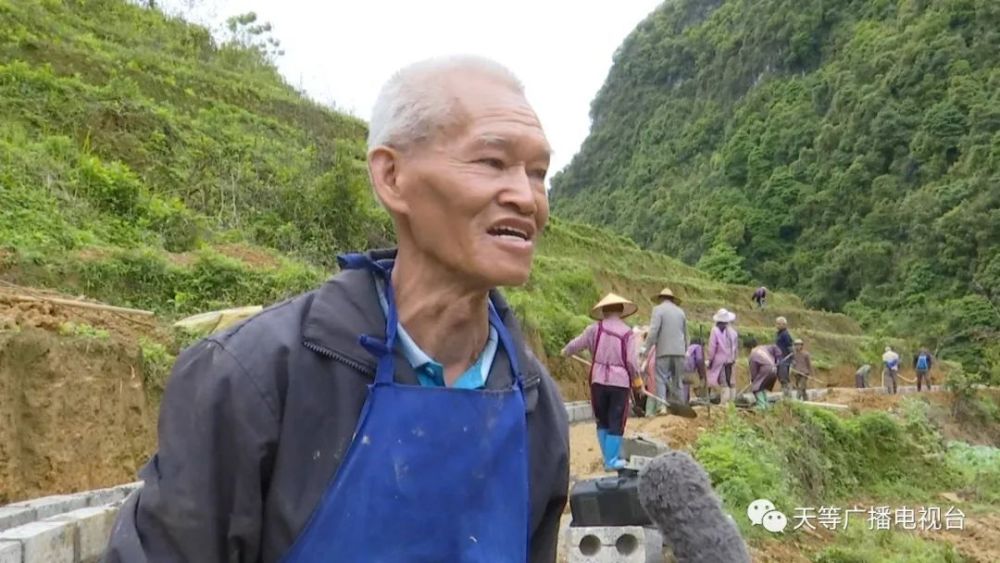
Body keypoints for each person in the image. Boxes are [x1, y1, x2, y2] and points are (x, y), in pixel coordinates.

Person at [103, 56, 570, 563]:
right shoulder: (252, 378)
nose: (526, 197)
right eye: (491, 162)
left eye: (539, 173)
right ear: (392, 176)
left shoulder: (533, 402)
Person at [562, 293, 642, 471]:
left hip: (597, 381)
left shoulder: (593, 329)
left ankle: (608, 458)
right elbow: (631, 361)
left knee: (602, 420)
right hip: (619, 383)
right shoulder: (627, 333)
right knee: (616, 420)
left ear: (603, 311)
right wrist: (637, 381)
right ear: (621, 311)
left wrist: (565, 351)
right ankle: (611, 460)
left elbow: (575, 345)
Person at [641, 287, 689, 409]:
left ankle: (662, 407)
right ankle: (680, 407)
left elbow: (653, 332)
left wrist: (645, 350)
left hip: (663, 351)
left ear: (661, 299)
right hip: (679, 352)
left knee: (661, 378)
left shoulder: (658, 310)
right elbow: (686, 335)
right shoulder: (681, 312)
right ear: (672, 299)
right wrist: (685, 350)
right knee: (678, 381)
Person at [706, 308, 739, 403]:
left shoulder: (715, 330)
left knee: (724, 382)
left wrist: (710, 360)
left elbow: (712, 347)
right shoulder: (733, 332)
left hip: (720, 361)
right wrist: (734, 358)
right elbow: (736, 347)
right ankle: (732, 403)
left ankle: (724, 403)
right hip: (731, 360)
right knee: (731, 381)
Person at [747, 339, 780, 409]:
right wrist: (777, 359)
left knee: (756, 387)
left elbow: (753, 370)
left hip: (766, 370)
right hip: (774, 369)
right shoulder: (764, 348)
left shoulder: (752, 354)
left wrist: (753, 380)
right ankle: (766, 404)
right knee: (762, 387)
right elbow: (775, 347)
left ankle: (761, 406)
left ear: (748, 348)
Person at [775, 316, 795, 398]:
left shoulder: (785, 334)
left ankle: (788, 396)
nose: (778, 325)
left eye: (780, 324)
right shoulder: (778, 334)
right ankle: (785, 395)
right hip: (779, 359)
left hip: (785, 360)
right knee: (780, 377)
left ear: (784, 325)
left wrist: (792, 358)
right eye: (777, 324)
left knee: (784, 378)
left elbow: (790, 347)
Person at [685, 337, 707, 403]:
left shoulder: (687, 348)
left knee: (684, 387)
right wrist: (702, 376)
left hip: (679, 369)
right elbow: (699, 360)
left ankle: (684, 402)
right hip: (689, 370)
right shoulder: (698, 347)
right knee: (699, 383)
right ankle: (702, 399)